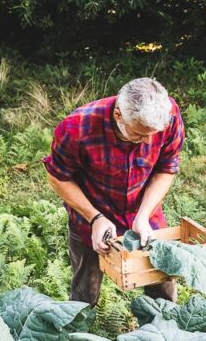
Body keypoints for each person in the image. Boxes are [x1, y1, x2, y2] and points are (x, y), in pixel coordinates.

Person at [43, 77, 185, 308]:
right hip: (92, 213)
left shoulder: (168, 114)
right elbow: (58, 177)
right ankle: (78, 332)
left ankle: (163, 332)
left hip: (144, 210)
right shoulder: (77, 127)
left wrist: (143, 215)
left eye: (153, 134)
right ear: (118, 116)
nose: (147, 141)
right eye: (139, 135)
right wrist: (95, 218)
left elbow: (167, 167)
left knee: (162, 283)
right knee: (85, 289)